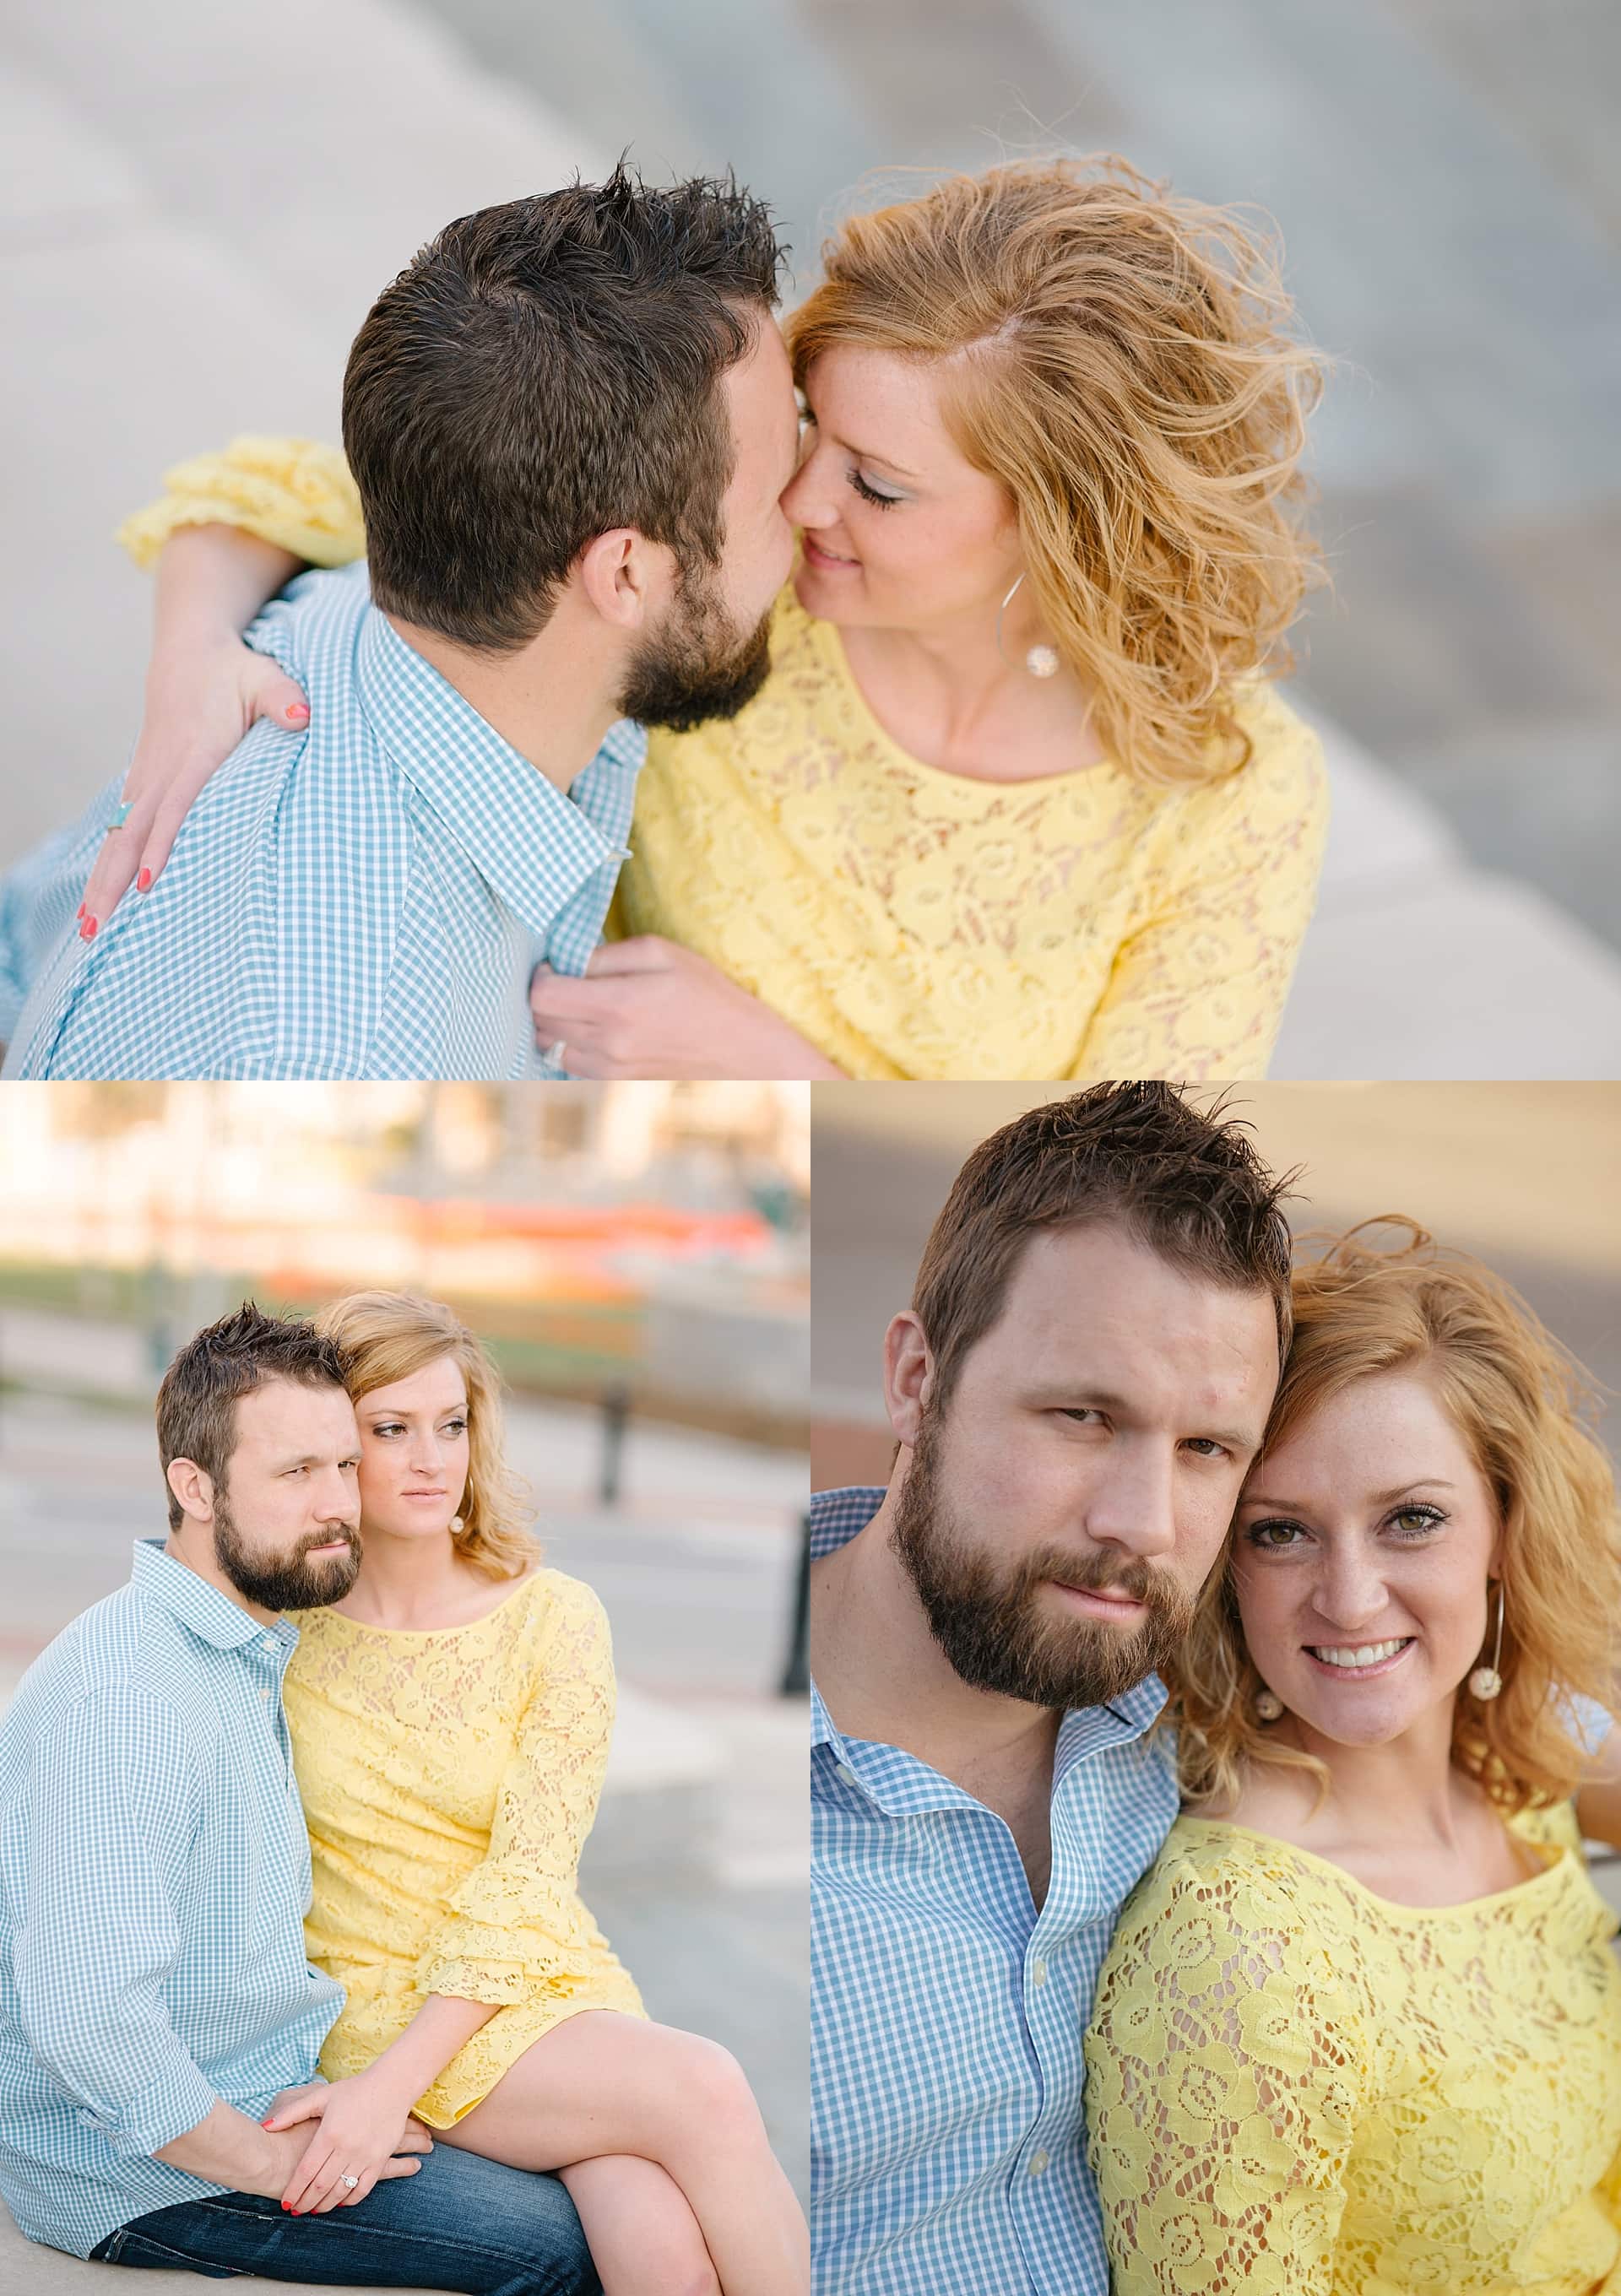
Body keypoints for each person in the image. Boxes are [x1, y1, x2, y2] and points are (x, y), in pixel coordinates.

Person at [75, 154, 1327, 1084]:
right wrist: (192, 657)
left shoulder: (1227, 797)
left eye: (877, 485)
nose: (801, 498)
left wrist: (782, 1083)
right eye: (803, 432)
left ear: (1066, 529)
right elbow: (359, 485)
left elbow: (1126, 1201)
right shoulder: (727, 589)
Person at [0, 165, 799, 1079]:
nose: (813, 512)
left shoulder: (420, 562)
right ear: (623, 573)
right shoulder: (350, 1049)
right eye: (776, 494)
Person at [0, 1303, 599, 2293]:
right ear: (192, 1485)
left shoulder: (249, 1641)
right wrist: (271, 2161)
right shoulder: (133, 1698)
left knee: (612, 2167)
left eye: (341, 1464)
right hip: (154, 2173)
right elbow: (91, 2019)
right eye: (293, 1473)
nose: (337, 1504)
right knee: (564, 2245)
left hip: (271, 2080)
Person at [809, 1081, 1293, 2294]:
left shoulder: (1203, 1707)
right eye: (1083, 1416)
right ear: (918, 1378)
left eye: (1207, 1450)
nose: (1142, 1524)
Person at [1086, 1224, 1621, 2293]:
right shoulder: (1238, 1950)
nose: (1349, 1596)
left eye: (1411, 1518)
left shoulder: (1522, 1792)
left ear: (1507, 1528)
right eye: (1280, 1531)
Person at [265, 1287, 807, 2296]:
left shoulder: (554, 1618)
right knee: (710, 2086)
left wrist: (396, 2089)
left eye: (451, 1424)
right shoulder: (287, 1633)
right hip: (383, 2002)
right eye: (392, 1428)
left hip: (552, 1984)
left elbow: (529, 1878)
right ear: (339, 1447)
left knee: (663, 2253)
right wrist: (382, 2083)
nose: (432, 1458)